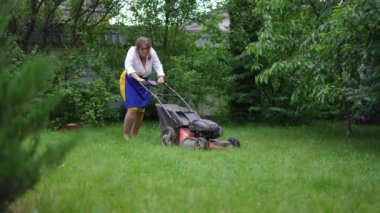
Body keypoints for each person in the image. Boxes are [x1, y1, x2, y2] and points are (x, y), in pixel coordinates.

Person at [122, 37, 165, 141]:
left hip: (144, 80)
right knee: (132, 109)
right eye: (143, 49)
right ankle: (126, 135)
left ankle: (135, 135)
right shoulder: (132, 51)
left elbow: (157, 64)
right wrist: (137, 78)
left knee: (141, 110)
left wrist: (160, 76)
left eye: (147, 48)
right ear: (138, 48)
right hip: (131, 79)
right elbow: (128, 65)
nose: (145, 51)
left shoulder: (151, 52)